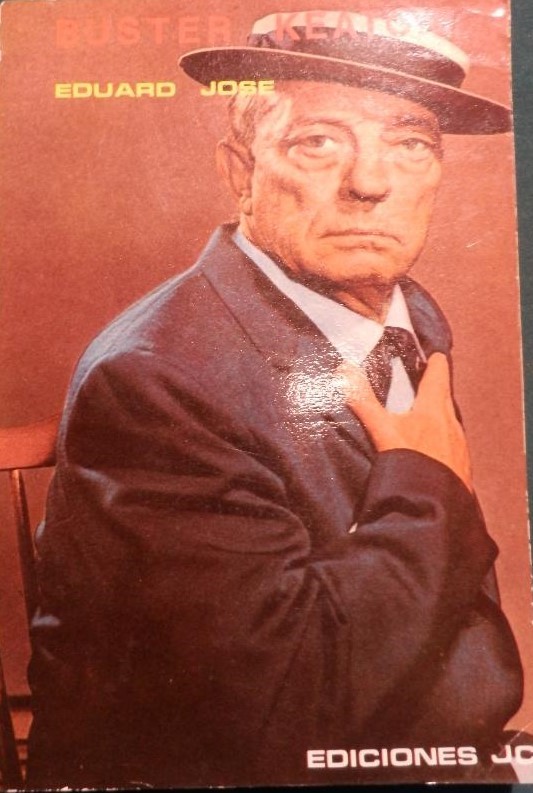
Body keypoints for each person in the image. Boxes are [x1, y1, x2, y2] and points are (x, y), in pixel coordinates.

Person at [27, 9, 523, 788]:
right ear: (240, 171)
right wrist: (422, 483)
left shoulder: (405, 316)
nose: (370, 182)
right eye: (317, 141)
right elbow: (280, 710)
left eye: (409, 143)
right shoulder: (155, 380)